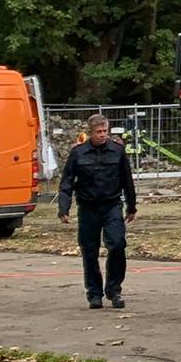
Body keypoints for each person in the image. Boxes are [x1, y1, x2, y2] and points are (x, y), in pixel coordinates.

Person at [57, 115, 137, 310]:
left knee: (117, 244)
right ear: (90, 133)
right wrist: (63, 208)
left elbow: (127, 180)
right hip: (88, 207)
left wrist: (131, 206)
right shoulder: (78, 153)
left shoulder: (117, 151)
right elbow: (66, 182)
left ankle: (114, 288)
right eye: (99, 132)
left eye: (105, 132)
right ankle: (94, 293)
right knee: (89, 251)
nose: (103, 135)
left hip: (112, 205)